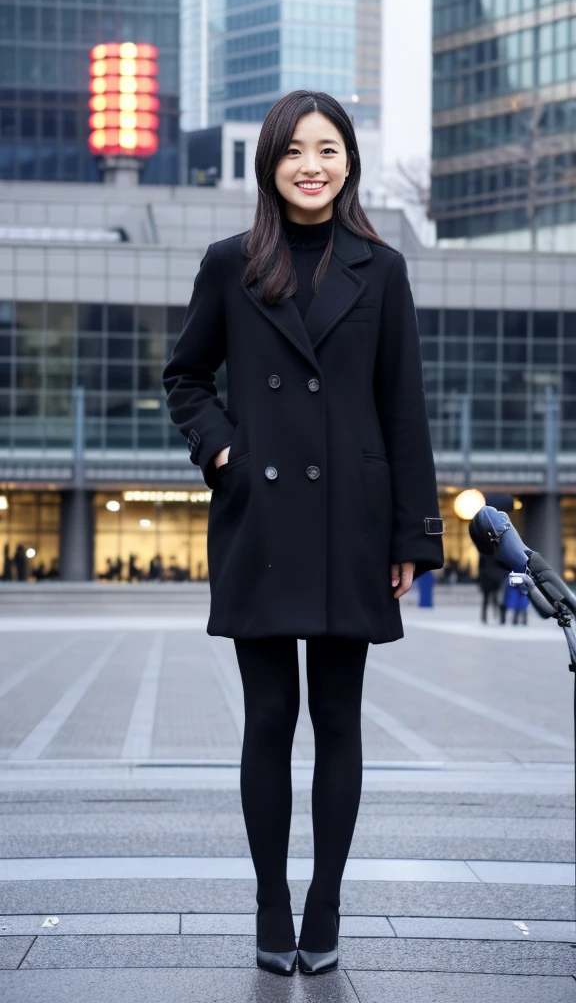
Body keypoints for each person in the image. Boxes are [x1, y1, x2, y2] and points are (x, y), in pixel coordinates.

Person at [163, 90, 444, 977]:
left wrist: (414, 531)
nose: (311, 165)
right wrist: (223, 456)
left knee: (339, 719)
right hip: (261, 515)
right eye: (294, 151)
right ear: (270, 164)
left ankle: (323, 903)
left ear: (349, 162)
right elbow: (185, 377)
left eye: (327, 149)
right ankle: (270, 902)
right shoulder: (231, 264)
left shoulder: (382, 267)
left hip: (350, 524)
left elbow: (403, 410)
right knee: (268, 722)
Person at [477, 554, 508, 624]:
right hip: (488, 581)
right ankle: (487, 617)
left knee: (494, 599)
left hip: (493, 581)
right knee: (489, 600)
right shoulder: (489, 555)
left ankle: (498, 616)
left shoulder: (495, 555)